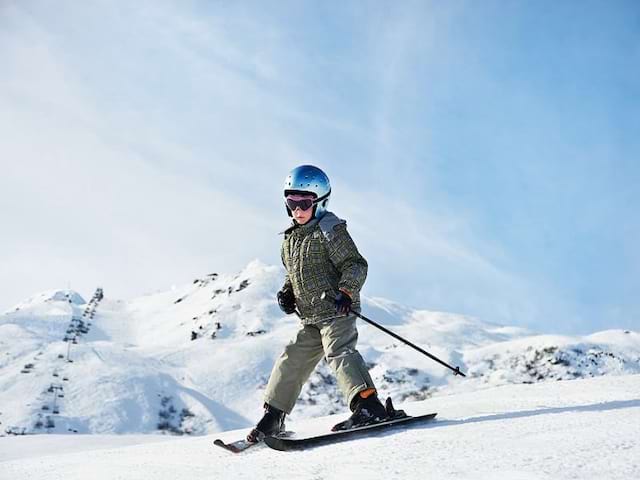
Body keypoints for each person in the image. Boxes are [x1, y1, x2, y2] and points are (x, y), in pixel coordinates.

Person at [247, 165, 388, 443]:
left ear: (320, 202)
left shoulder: (329, 230)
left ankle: (368, 405)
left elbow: (355, 264)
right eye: (291, 203)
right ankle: (273, 416)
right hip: (311, 318)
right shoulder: (289, 240)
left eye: (304, 203)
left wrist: (346, 292)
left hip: (337, 310)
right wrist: (287, 293)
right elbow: (294, 274)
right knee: (291, 359)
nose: (297, 210)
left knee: (339, 352)